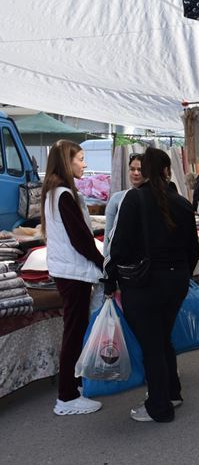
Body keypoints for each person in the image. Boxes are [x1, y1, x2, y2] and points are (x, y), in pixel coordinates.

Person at [105, 148, 199, 422]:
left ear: (144, 171)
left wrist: (111, 277)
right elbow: (193, 249)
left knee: (152, 345)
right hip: (176, 281)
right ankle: (172, 393)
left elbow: (119, 246)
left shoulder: (134, 199)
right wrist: (182, 274)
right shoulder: (181, 202)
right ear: (167, 170)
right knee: (162, 338)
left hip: (144, 283)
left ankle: (159, 406)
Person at [42, 140, 105, 416]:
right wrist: (103, 264)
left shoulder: (54, 192)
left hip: (67, 270)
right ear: (67, 162)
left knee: (74, 329)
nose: (84, 164)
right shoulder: (64, 194)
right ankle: (66, 397)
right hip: (73, 272)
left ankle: (74, 385)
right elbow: (81, 239)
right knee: (74, 331)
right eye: (80, 159)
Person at [104, 153, 144, 256]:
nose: (135, 173)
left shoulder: (152, 198)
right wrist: (106, 258)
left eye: (140, 170)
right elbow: (108, 233)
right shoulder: (116, 198)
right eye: (132, 169)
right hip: (122, 258)